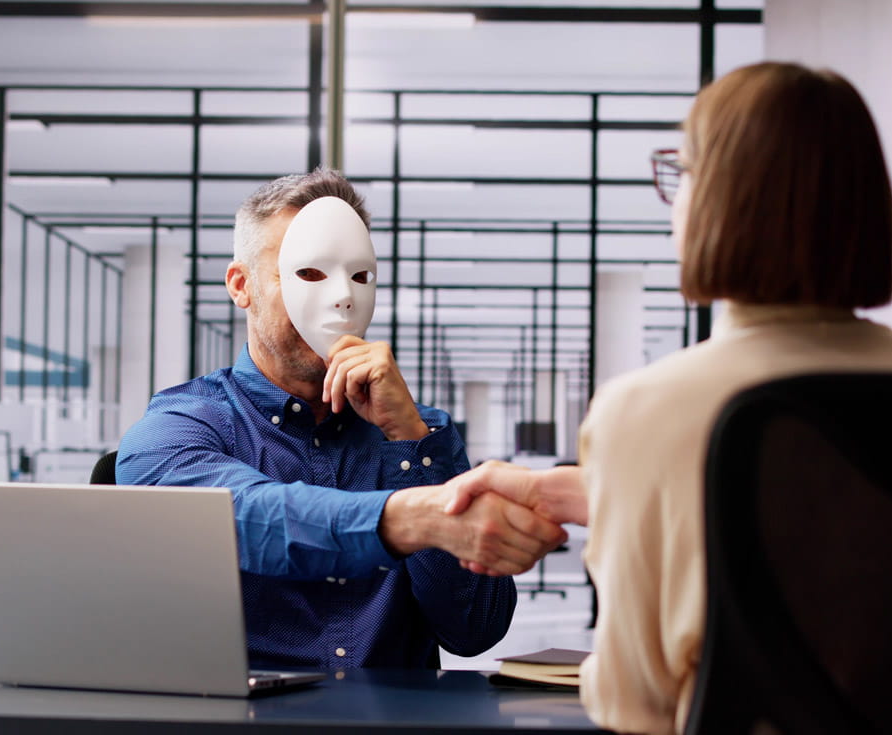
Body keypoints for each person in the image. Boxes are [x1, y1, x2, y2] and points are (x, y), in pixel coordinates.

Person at [445, 62, 892, 734]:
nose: (675, 197)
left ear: (724, 198)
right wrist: (570, 491)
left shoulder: (644, 409)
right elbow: (810, 528)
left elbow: (633, 701)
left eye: (681, 172)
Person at [115, 168, 566, 669]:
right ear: (241, 286)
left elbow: (475, 631)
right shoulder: (182, 426)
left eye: (359, 276)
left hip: (395, 725)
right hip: (249, 722)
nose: (341, 297)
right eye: (307, 273)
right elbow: (243, 516)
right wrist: (415, 517)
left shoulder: (424, 435)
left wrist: (410, 440)